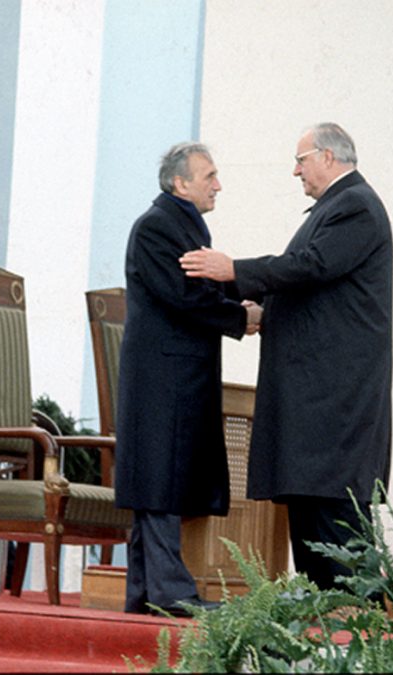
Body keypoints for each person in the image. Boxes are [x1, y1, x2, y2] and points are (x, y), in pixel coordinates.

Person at [179, 122, 393, 590]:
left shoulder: (354, 204)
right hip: (316, 397)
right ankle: (325, 626)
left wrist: (232, 270)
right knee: (313, 514)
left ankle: (364, 629)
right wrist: (261, 311)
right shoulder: (336, 206)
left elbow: (312, 267)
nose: (296, 171)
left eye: (302, 159)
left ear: (329, 157)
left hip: (334, 397)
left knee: (337, 519)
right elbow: (315, 288)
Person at [114, 142, 262, 616]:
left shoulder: (179, 224)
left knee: (162, 479)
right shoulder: (159, 227)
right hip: (163, 378)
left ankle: (143, 592)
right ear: (180, 183)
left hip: (175, 374)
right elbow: (183, 296)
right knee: (160, 480)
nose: (218, 184)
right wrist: (241, 319)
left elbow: (202, 288)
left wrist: (240, 301)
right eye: (209, 176)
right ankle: (171, 593)